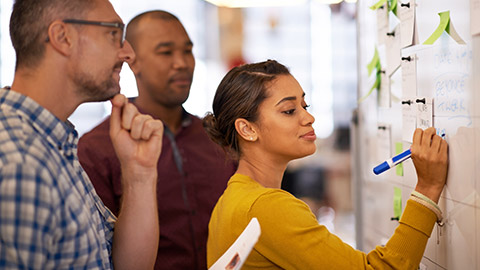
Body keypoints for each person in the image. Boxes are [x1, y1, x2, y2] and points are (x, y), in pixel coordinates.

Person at [203, 60, 449, 269]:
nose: (308, 117)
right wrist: (427, 188)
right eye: (289, 110)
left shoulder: (231, 199)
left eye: (304, 106)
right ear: (247, 129)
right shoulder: (266, 207)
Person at [0, 0, 164, 269]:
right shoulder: (20, 163)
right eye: (114, 33)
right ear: (63, 37)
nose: (128, 54)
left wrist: (139, 174)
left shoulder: (52, 142)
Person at [77, 10, 236, 269]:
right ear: (133, 62)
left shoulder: (217, 136)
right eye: (165, 52)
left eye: (187, 51)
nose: (182, 63)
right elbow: (98, 251)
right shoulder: (98, 147)